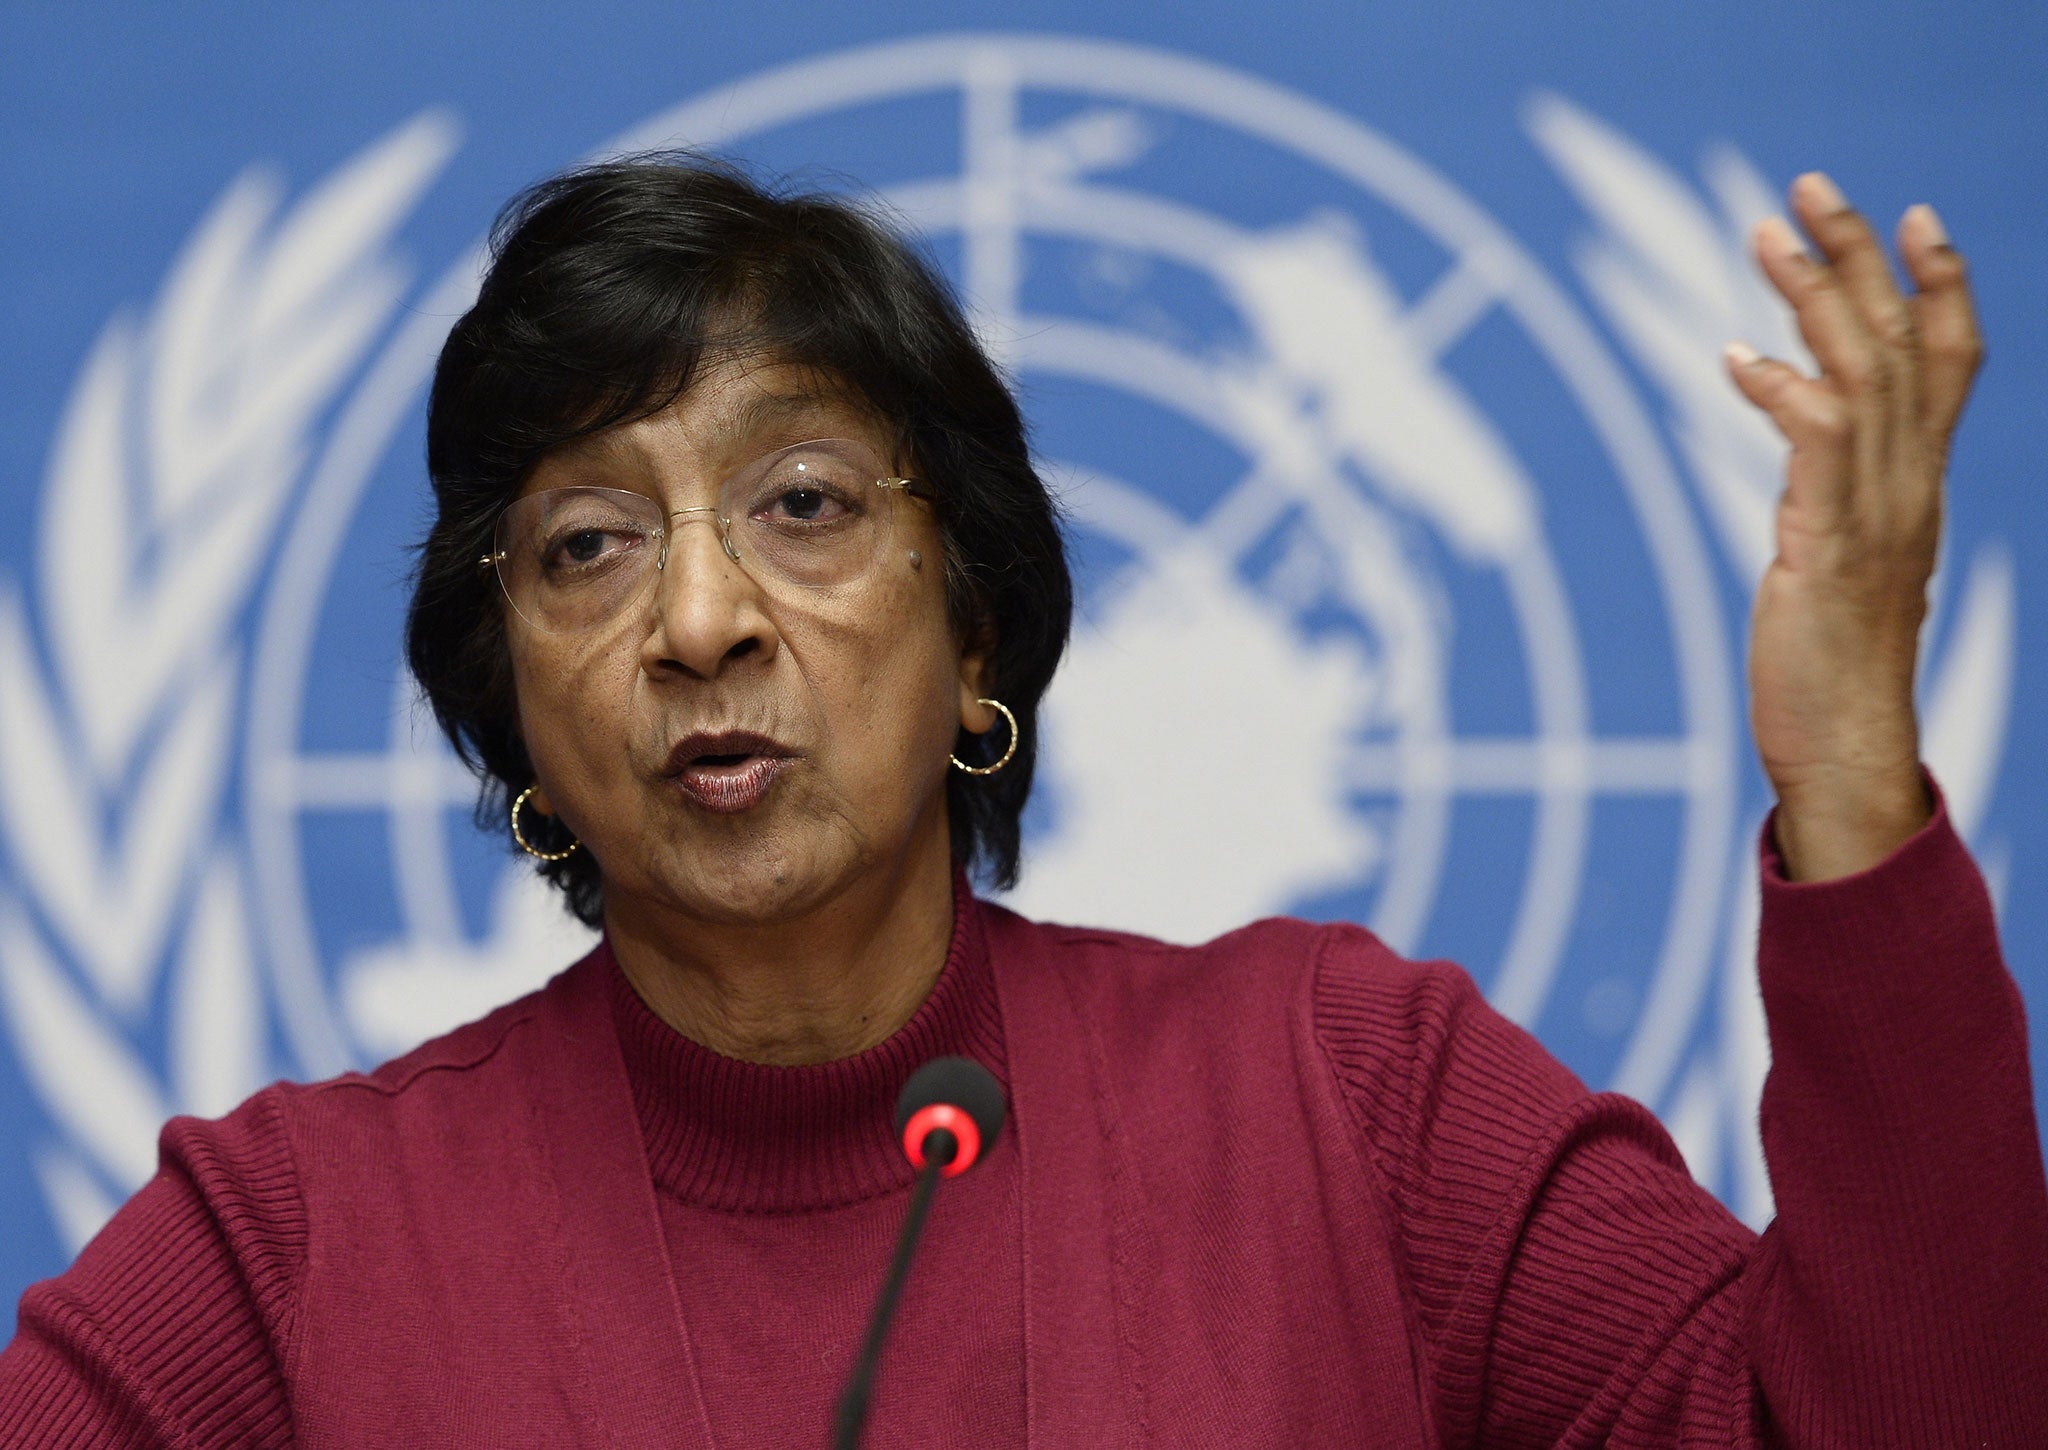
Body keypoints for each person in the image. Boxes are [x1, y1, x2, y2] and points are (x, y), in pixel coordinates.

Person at [0, 155, 2042, 1448]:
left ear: (976, 630)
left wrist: (1850, 761)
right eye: (588, 546)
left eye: (802, 505)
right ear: (512, 699)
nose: (699, 618)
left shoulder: (1352, 1095)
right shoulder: (287, 1248)